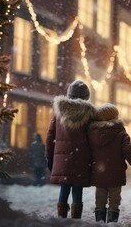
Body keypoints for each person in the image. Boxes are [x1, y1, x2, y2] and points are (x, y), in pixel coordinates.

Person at [45, 80, 96, 219]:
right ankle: (76, 219)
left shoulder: (59, 112)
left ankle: (61, 218)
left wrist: (49, 156)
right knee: (77, 190)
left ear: (69, 94)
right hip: (81, 159)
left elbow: (50, 136)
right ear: (86, 97)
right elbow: (94, 138)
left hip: (63, 160)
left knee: (64, 188)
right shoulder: (90, 115)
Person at [87, 103, 131, 223]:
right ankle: (112, 222)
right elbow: (129, 152)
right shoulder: (120, 133)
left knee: (100, 199)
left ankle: (100, 221)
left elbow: (87, 153)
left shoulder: (92, 133)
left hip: (99, 173)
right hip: (115, 173)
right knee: (114, 200)